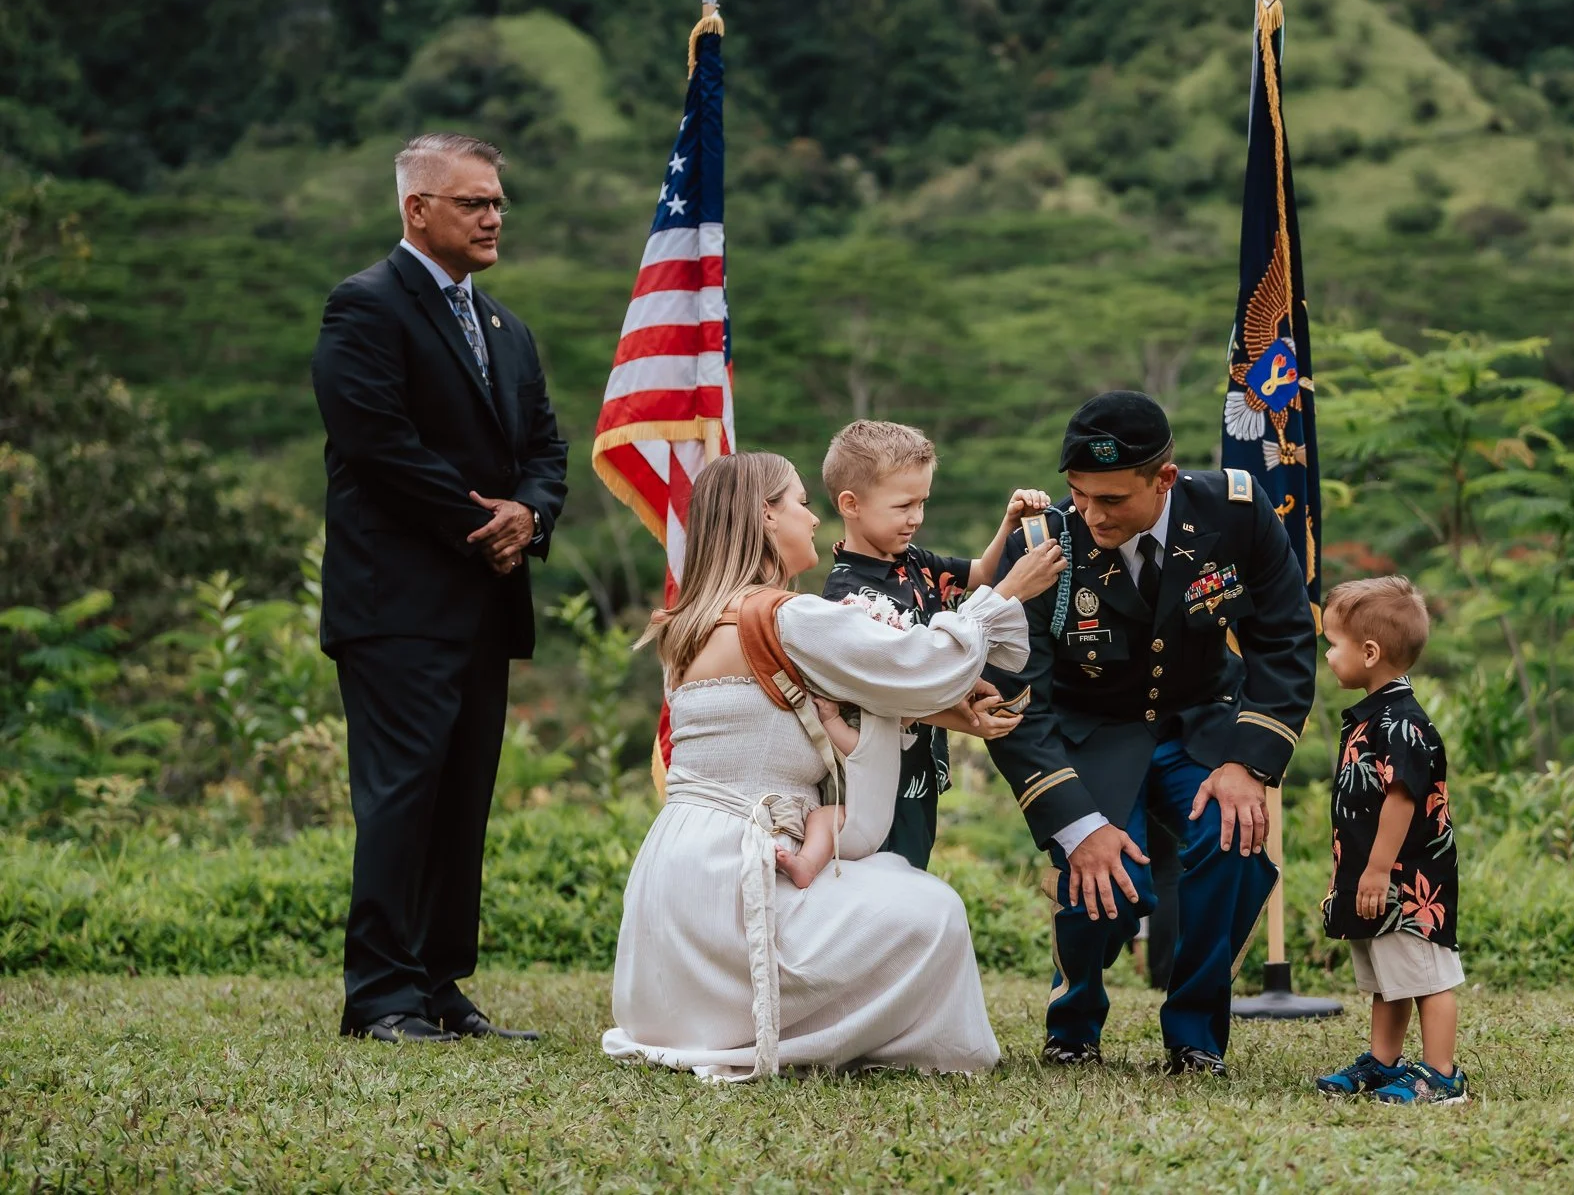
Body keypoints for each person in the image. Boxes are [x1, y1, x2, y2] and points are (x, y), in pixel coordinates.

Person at [602, 452, 1066, 1080]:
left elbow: (856, 697)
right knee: (931, 911)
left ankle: (733, 1012)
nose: (813, 518)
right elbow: (917, 662)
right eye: (799, 502)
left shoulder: (690, 625)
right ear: (766, 517)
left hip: (674, 887)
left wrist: (955, 712)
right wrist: (1005, 594)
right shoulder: (788, 617)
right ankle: (873, 1042)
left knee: (893, 880)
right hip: (739, 883)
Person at [312, 132, 568, 1044]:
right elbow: (377, 445)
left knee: (463, 795)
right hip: (397, 603)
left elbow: (546, 449)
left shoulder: (506, 327)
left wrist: (530, 515)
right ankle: (378, 994)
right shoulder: (365, 308)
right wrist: (484, 523)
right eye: (474, 202)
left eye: (498, 201)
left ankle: (438, 985)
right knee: (401, 794)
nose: (494, 215)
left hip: (485, 605)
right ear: (417, 208)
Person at [982, 391, 1316, 1076]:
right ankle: (1073, 1019)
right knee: (1107, 876)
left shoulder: (1236, 513)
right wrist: (1077, 825)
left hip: (1201, 721)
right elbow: (1018, 699)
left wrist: (1248, 765)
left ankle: (1194, 1034)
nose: (1091, 514)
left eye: (1111, 498)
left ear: (1163, 479)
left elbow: (1283, 640)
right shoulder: (1044, 545)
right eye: (1078, 494)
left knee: (1230, 842)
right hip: (1093, 731)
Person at [819, 419, 1051, 869]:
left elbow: (981, 574)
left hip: (919, 769)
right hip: (876, 778)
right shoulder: (845, 599)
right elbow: (887, 695)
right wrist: (965, 722)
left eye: (923, 503)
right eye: (903, 505)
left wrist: (1010, 524)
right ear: (851, 504)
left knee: (914, 863)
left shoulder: (914, 561)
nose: (916, 518)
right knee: (888, 880)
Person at [1313, 576, 1466, 1104]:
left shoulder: (1401, 723)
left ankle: (1442, 1076)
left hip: (1409, 884)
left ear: (1370, 652)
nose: (1329, 655)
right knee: (1389, 978)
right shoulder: (1371, 717)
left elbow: (1400, 802)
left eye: (1334, 644)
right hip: (1373, 879)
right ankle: (1383, 1062)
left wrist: (1377, 872)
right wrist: (1347, 879)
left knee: (1427, 977)